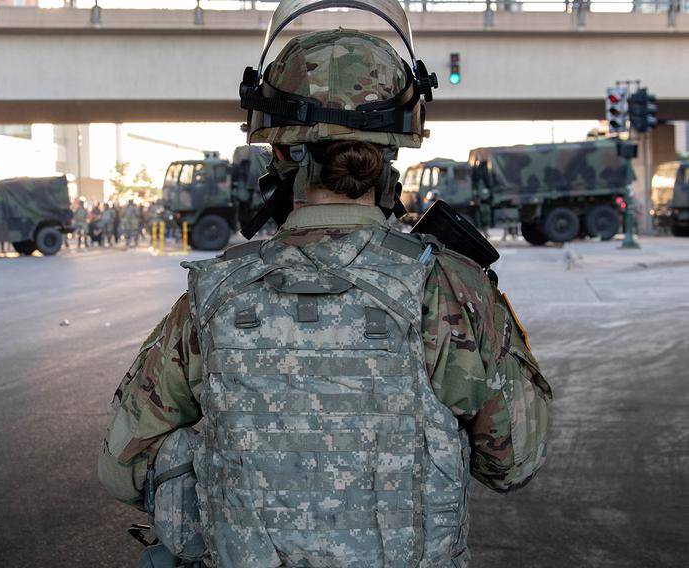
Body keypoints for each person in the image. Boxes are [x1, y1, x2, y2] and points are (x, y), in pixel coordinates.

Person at [98, 2, 551, 566]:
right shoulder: (450, 289)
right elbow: (515, 460)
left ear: (281, 150)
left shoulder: (215, 296)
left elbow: (122, 467)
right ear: (392, 150)